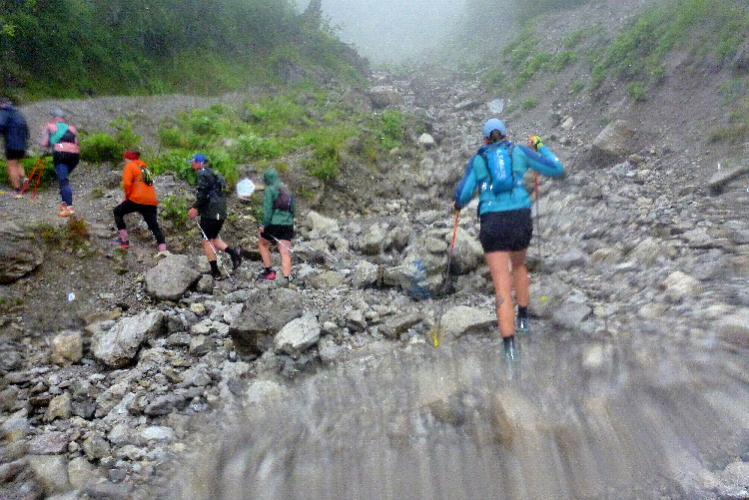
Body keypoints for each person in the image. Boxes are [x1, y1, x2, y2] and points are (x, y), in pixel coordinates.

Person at [453, 118, 564, 360]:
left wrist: (457, 204)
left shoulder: (478, 160)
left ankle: (510, 349)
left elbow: (462, 194)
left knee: (501, 285)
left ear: (484, 140)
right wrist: (540, 145)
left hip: (492, 222)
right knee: (520, 265)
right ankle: (523, 318)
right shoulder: (519, 152)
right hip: (519, 218)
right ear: (505, 135)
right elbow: (556, 168)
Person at [186, 153, 241, 280]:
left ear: (199, 163)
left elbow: (203, 193)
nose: (192, 165)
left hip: (211, 212)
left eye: (193, 163)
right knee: (212, 238)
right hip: (221, 210)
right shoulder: (214, 173)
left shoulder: (202, 174)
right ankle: (234, 253)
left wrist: (195, 207)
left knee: (206, 240)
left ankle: (215, 272)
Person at [113, 151, 167, 253]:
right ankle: (162, 248)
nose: (124, 161)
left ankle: (124, 241)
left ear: (128, 159)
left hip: (137, 199)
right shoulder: (145, 168)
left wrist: (127, 197)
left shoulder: (130, 166)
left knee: (117, 212)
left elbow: (127, 184)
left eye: (125, 159)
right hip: (151, 200)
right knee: (153, 225)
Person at [40, 107, 80, 216]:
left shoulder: (49, 126)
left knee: (63, 181)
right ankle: (64, 202)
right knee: (64, 179)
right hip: (74, 156)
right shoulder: (72, 128)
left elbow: (44, 143)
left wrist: (51, 145)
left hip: (60, 154)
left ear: (54, 117)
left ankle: (69, 207)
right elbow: (76, 142)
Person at [257, 168, 295, 283]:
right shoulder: (287, 190)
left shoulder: (270, 189)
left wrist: (264, 224)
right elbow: (293, 210)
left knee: (262, 243)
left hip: (274, 223)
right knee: (284, 250)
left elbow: (268, 210)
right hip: (288, 224)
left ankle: (269, 271)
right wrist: (289, 219)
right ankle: (286, 277)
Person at [0, 98, 29, 197]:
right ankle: (24, 178)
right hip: (22, 143)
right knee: (17, 163)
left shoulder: (4, 113)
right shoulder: (18, 113)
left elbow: (1, 125)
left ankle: (18, 190)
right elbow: (26, 129)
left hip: (12, 144)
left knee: (11, 165)